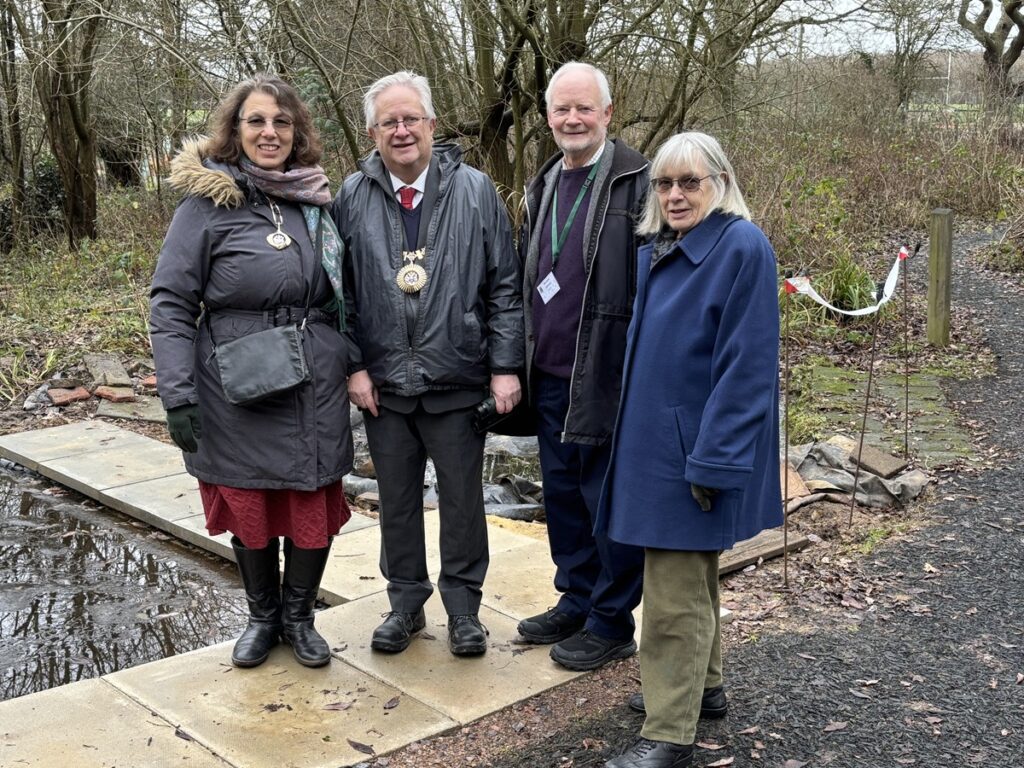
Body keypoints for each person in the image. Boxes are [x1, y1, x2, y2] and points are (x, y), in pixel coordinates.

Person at [150, 74, 352, 670]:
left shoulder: (315, 201)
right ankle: (263, 618)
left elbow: (347, 295)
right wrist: (177, 392)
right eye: (257, 121)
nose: (270, 132)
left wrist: (353, 361)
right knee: (252, 501)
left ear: (298, 133)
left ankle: (300, 617)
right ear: (235, 130)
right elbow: (170, 302)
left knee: (312, 495)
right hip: (235, 385)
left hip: (313, 378)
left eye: (281, 122)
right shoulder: (207, 205)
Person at [600, 131, 782, 768]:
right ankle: (702, 690)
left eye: (690, 182)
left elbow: (747, 366)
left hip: (691, 450)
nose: (675, 195)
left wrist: (714, 460)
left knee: (672, 594)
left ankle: (668, 733)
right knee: (689, 574)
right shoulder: (664, 248)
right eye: (665, 184)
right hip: (658, 444)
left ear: (720, 183)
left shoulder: (741, 248)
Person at [331, 71, 523, 657]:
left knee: (464, 503)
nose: (401, 129)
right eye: (389, 121)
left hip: (457, 377)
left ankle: (464, 610)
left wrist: (505, 366)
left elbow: (505, 286)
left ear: (432, 125)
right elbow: (340, 294)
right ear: (372, 132)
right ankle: (405, 605)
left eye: (411, 117)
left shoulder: (476, 190)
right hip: (384, 385)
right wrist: (354, 367)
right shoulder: (351, 197)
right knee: (397, 501)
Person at [516, 62, 647, 671]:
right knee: (564, 496)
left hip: (606, 373)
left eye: (584, 109)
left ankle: (612, 619)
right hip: (548, 373)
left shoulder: (636, 181)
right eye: (561, 110)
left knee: (606, 500)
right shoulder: (542, 184)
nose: (572, 119)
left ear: (607, 114)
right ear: (548, 118)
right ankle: (576, 596)